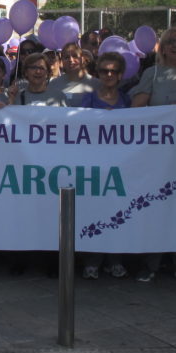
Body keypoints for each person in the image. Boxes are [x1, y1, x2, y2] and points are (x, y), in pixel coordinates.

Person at [129, 25, 176, 284]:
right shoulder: (153, 73)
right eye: (170, 41)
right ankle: (151, 263)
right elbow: (136, 107)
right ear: (161, 47)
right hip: (158, 154)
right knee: (155, 203)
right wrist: (165, 111)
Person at [78, 50, 130, 280]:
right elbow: (77, 127)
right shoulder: (88, 99)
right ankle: (93, 260)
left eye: (113, 71)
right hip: (95, 167)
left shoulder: (127, 100)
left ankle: (115, 259)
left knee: (118, 214)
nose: (108, 74)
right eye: (104, 70)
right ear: (97, 73)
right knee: (95, 213)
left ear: (120, 75)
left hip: (120, 166)